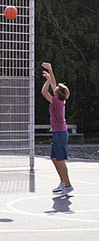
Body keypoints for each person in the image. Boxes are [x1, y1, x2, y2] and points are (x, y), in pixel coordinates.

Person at [41, 61, 73, 195]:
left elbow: (43, 91)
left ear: (57, 94)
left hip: (60, 133)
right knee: (54, 158)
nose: (54, 89)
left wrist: (49, 79)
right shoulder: (59, 100)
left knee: (60, 159)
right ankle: (62, 182)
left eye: (55, 90)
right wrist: (50, 74)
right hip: (58, 132)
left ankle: (68, 185)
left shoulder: (56, 101)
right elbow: (54, 84)